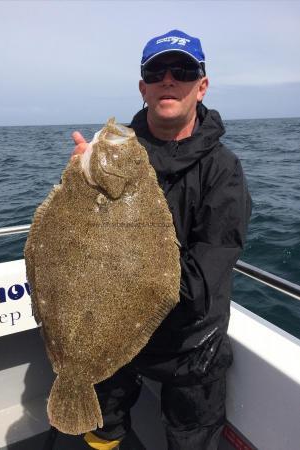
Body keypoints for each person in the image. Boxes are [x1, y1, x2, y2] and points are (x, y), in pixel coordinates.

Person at [73, 30, 252, 450]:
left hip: (189, 341)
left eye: (184, 70)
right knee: (103, 422)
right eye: (157, 71)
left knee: (191, 436)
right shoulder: (107, 155)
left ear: (201, 85)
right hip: (109, 328)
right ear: (143, 87)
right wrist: (78, 185)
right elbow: (77, 243)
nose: (169, 79)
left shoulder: (224, 170)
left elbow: (205, 275)